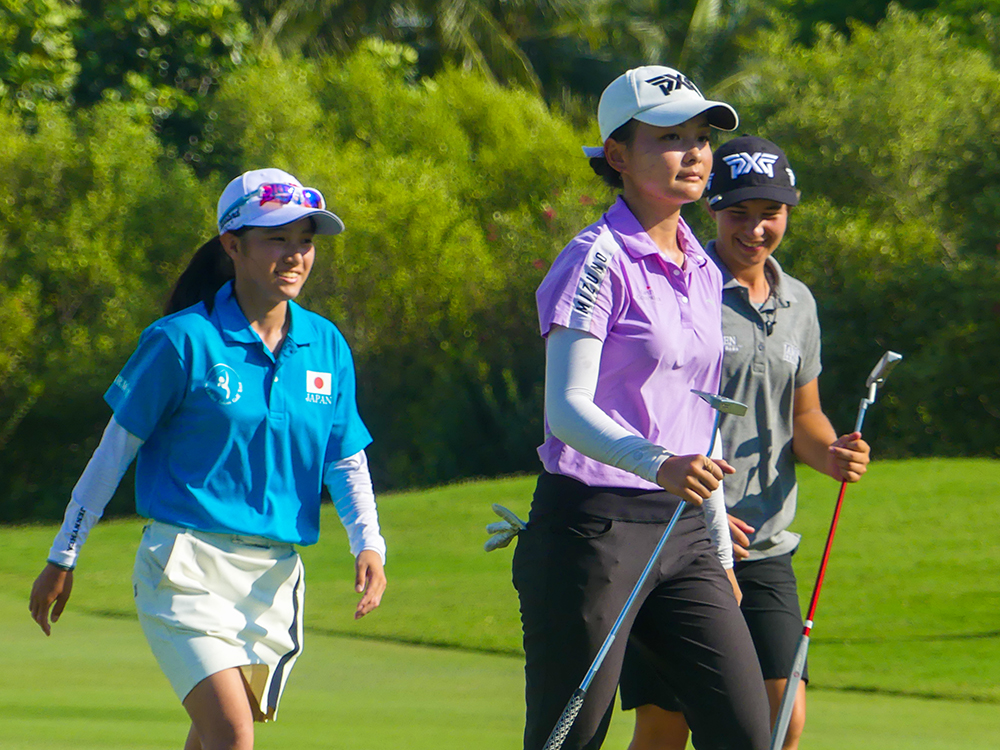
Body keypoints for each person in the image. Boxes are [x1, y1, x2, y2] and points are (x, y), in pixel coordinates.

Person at [28, 168, 388, 750]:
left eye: (305, 240)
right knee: (232, 735)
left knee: (213, 736)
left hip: (272, 580)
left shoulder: (326, 344)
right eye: (276, 238)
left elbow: (345, 459)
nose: (295, 255)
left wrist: (368, 543)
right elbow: (113, 453)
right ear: (232, 245)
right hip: (184, 567)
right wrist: (63, 554)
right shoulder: (181, 340)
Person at [511, 66, 772, 750]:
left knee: (747, 733)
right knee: (570, 738)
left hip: (684, 535)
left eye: (700, 138)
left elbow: (701, 420)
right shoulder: (594, 259)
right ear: (618, 155)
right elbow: (566, 409)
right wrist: (657, 464)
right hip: (592, 531)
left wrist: (718, 549)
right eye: (669, 138)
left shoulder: (705, 268)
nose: (694, 153)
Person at [619, 136, 871, 750]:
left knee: (785, 719)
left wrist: (832, 452)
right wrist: (700, 509)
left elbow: (803, 414)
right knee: (666, 726)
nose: (756, 229)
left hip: (764, 545)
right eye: (739, 213)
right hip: (680, 540)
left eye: (770, 213)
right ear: (712, 209)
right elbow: (649, 414)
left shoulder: (799, 303)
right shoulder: (685, 290)